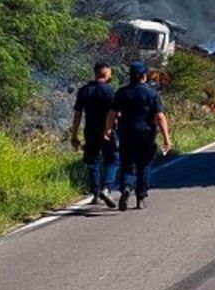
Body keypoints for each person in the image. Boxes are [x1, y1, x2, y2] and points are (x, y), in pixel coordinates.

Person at [103, 61, 172, 211]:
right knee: (144, 165)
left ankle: (126, 187)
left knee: (127, 164)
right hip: (146, 134)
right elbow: (160, 116)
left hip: (126, 134)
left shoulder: (121, 92)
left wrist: (107, 130)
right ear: (144, 76)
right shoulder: (152, 94)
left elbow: (112, 113)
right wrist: (166, 138)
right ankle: (141, 197)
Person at [70, 62, 118, 207]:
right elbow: (116, 113)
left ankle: (95, 193)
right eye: (110, 72)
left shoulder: (84, 91)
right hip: (108, 130)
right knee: (113, 159)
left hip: (90, 131)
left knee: (93, 161)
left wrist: (74, 135)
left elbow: (77, 114)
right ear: (105, 74)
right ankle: (107, 187)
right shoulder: (110, 91)